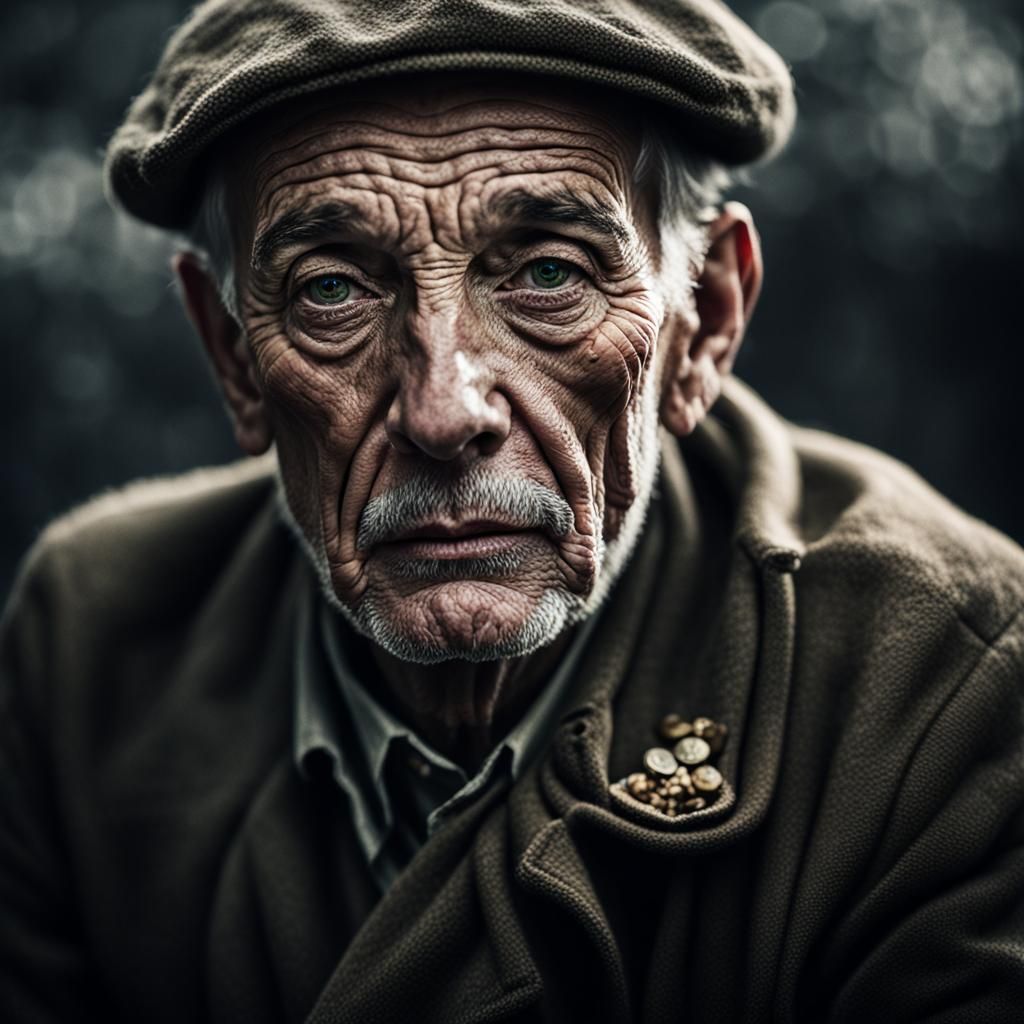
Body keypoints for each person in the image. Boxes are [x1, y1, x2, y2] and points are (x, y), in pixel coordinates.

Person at [2, 0, 1023, 1020]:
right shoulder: (89, 652)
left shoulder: (946, 687)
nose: (443, 410)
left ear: (703, 323)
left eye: (548, 275)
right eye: (331, 291)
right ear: (232, 356)